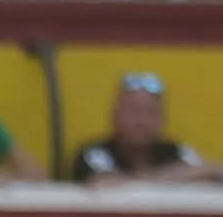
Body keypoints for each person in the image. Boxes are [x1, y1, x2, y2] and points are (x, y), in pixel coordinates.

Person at [70, 72, 214, 184]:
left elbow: (211, 171)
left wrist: (141, 181)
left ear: (162, 119)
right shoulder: (95, 153)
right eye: (132, 111)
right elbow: (103, 182)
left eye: (149, 112)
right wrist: (173, 176)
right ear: (114, 115)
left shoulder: (177, 150)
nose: (140, 121)